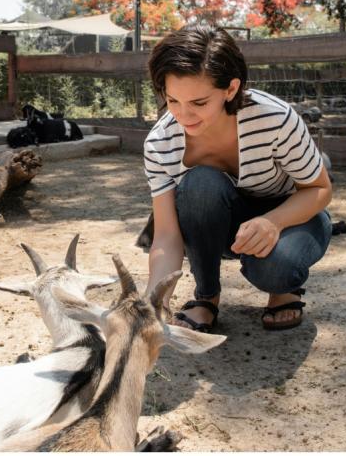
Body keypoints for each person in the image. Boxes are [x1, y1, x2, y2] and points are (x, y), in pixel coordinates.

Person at [142, 26, 333, 332]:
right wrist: (155, 299)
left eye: (199, 103)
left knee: (274, 267)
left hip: (294, 216)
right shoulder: (159, 143)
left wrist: (274, 222)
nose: (183, 115)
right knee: (199, 183)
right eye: (173, 100)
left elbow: (320, 189)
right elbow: (166, 235)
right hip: (227, 227)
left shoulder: (275, 118)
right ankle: (206, 297)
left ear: (231, 89)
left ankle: (283, 289)